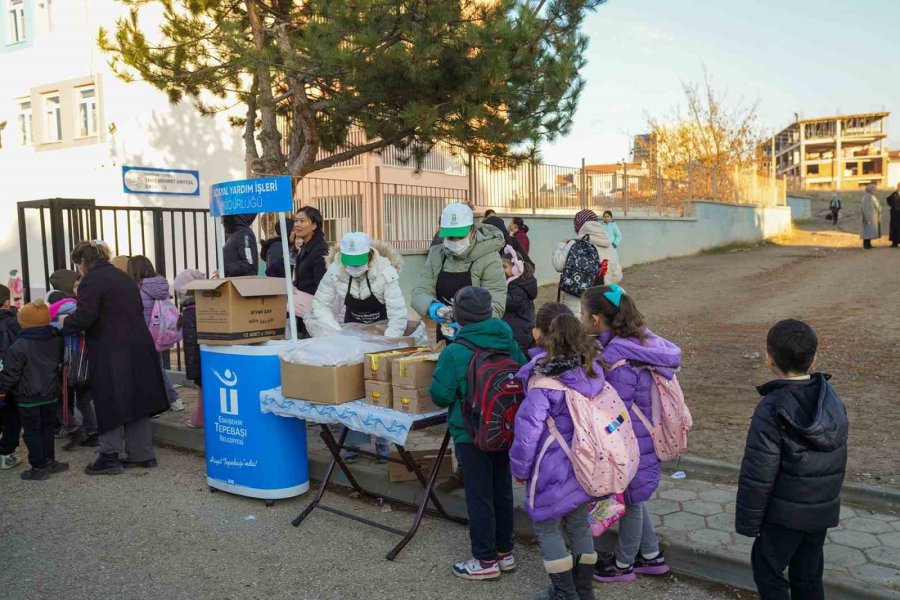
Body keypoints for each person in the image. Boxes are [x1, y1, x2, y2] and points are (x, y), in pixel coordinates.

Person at [736, 319, 848, 600]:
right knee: (808, 575)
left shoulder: (771, 408)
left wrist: (748, 522)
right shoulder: (829, 398)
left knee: (767, 570)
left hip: (783, 515)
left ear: (769, 358)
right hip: (820, 511)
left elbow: (759, 471)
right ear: (814, 358)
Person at [581, 284, 681, 583]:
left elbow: (615, 409)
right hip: (643, 436)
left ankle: (623, 565)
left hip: (632, 442)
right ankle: (651, 556)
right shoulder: (637, 343)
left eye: (583, 314)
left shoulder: (618, 356)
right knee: (635, 498)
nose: (581, 319)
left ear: (596, 319)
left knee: (632, 503)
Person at [430, 286, 527, 581]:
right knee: (502, 490)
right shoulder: (508, 341)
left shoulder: (455, 351)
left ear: (459, 316)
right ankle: (505, 552)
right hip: (504, 428)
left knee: (479, 494)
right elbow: (524, 374)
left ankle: (485, 559)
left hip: (471, 434)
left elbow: (440, 395)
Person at [511, 302, 602, 599]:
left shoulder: (542, 382)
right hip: (585, 460)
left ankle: (565, 593)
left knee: (547, 526)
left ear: (539, 333)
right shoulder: (590, 370)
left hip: (551, 465)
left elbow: (527, 434)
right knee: (578, 523)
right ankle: (583, 590)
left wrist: (520, 470)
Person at [62, 240, 169, 475]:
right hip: (138, 346)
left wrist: (64, 322)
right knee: (137, 399)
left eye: (78, 264)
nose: (79, 269)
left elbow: (85, 316)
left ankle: (109, 456)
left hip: (111, 349)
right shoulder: (123, 276)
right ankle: (142, 454)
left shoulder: (92, 279)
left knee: (108, 399)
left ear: (83, 261)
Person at [412, 203, 507, 342]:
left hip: (478, 336)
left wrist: (467, 326)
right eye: (450, 237)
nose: (455, 241)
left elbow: (496, 304)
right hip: (445, 332)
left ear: (473, 230)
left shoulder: (489, 258)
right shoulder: (436, 255)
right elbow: (420, 291)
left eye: (460, 237)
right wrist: (433, 307)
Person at [0, 299, 67, 480]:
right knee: (47, 428)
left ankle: (38, 467)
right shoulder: (56, 340)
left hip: (28, 398)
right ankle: (49, 460)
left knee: (32, 432)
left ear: (23, 323)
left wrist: (1, 391)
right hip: (51, 394)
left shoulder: (18, 346)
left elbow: (10, 375)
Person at [127, 256, 184, 412]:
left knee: (146, 370)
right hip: (159, 334)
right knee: (158, 368)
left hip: (143, 334)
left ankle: (156, 404)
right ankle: (173, 400)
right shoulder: (161, 285)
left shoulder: (136, 288)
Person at [552, 209, 623, 316]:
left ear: (579, 226)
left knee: (574, 326)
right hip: (599, 304)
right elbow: (617, 276)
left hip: (574, 306)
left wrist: (561, 245)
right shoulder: (609, 248)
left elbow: (558, 265)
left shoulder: (574, 244)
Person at [174, 269, 206, 429]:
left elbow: (191, 342)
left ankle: (200, 419)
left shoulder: (189, 310)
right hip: (204, 356)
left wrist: (193, 368)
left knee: (203, 389)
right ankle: (200, 417)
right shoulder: (203, 306)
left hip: (198, 359)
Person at [292, 206, 329, 337]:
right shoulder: (305, 246)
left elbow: (323, 286)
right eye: (296, 220)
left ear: (314, 225)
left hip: (314, 314)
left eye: (302, 221)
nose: (297, 225)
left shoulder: (320, 250)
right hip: (302, 311)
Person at [0, 284, 23, 470]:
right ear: (7, 302)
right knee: (12, 417)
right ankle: (6, 454)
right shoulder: (14, 322)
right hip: (9, 377)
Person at [501, 246, 537, 355]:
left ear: (516, 268)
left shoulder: (517, 286)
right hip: (522, 328)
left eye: (504, 267)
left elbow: (510, 303)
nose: (502, 270)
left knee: (520, 356)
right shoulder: (521, 283)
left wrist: (495, 294)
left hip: (519, 332)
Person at [860, 183, 882, 250]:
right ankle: (866, 245)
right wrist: (867, 218)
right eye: (874, 189)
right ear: (871, 189)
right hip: (868, 217)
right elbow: (865, 208)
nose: (875, 190)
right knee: (867, 231)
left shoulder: (871, 196)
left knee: (870, 231)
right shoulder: (867, 197)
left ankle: (869, 244)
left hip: (871, 217)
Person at [887, 183, 900, 248]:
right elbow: (888, 199)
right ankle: (894, 243)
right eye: (899, 186)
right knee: (894, 227)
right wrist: (892, 206)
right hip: (894, 213)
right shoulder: (894, 193)